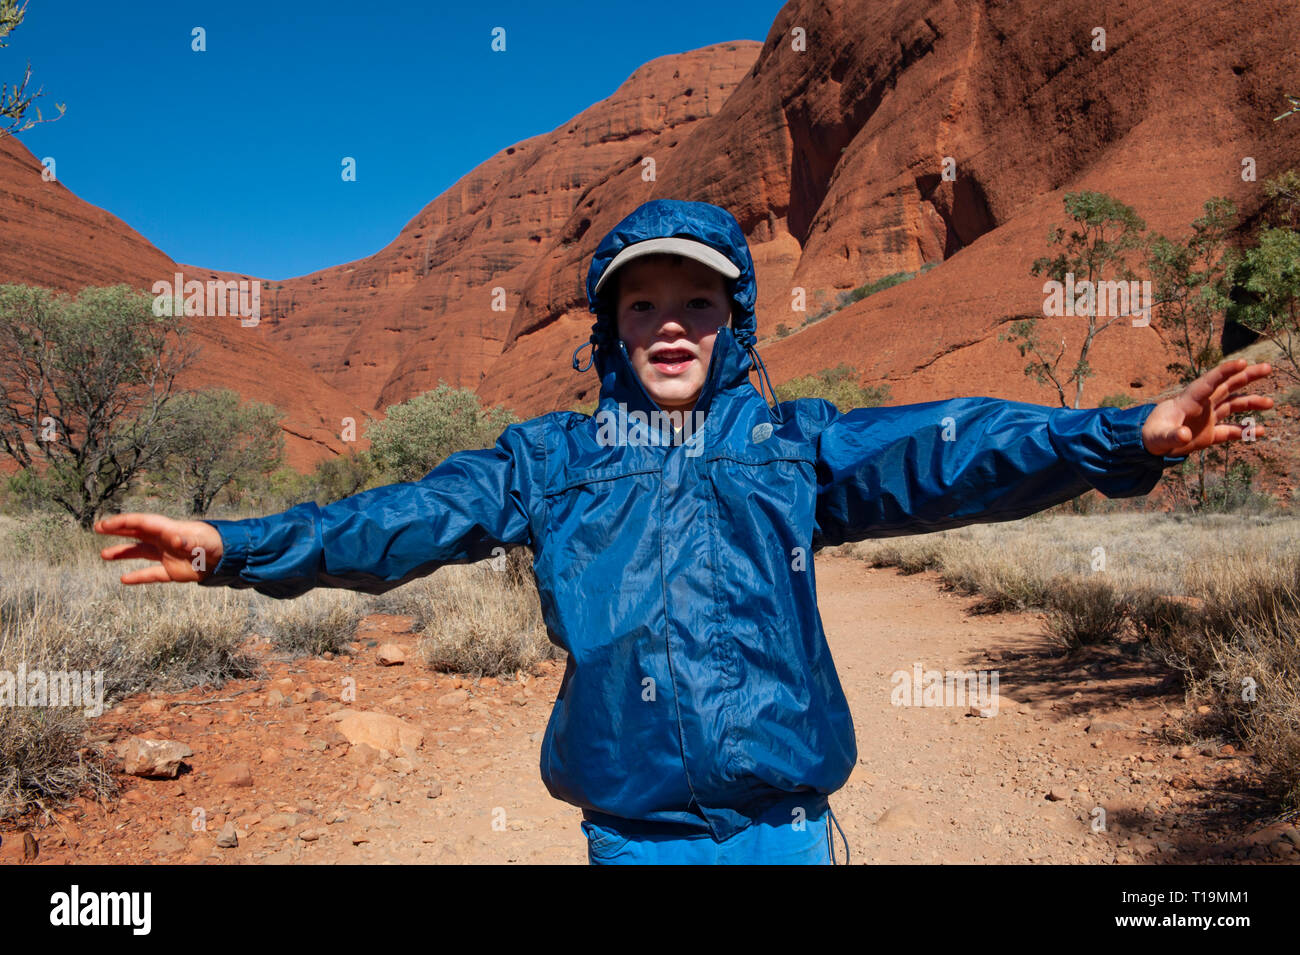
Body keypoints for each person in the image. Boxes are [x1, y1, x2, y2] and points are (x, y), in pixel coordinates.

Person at [96, 198, 1274, 865]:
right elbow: (402, 518)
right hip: (636, 838)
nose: (671, 327)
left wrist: (1125, 432)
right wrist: (233, 545)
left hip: (785, 832)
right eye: (643, 304)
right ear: (611, 328)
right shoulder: (549, 465)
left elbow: (950, 448)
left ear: (733, 321)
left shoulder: (792, 450)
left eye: (697, 303)